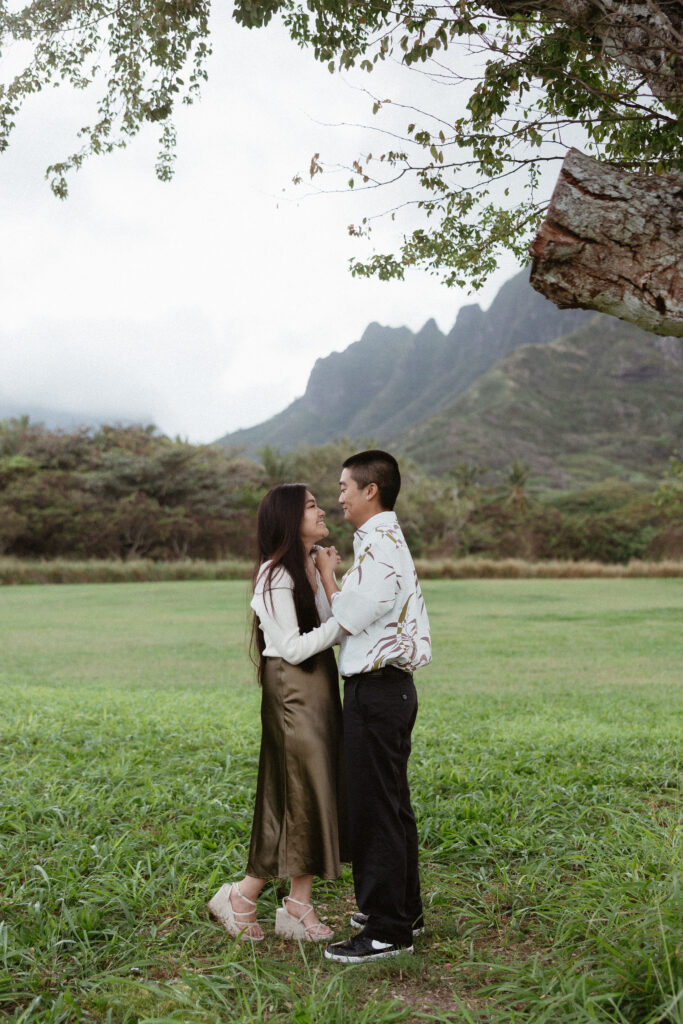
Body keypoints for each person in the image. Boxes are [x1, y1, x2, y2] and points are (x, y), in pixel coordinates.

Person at [208, 483, 348, 942]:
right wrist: (344, 622)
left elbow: (332, 628)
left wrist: (327, 575)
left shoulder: (307, 567)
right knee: (293, 791)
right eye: (312, 506)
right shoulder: (275, 576)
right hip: (292, 687)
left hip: (320, 685)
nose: (323, 509)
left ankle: (296, 906)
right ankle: (241, 896)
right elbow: (291, 646)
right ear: (290, 519)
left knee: (315, 787)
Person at [315, 450, 432, 963]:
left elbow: (355, 612)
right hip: (387, 689)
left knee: (375, 807)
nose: (338, 496)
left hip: (377, 690)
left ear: (371, 490)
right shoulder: (379, 540)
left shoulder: (381, 542)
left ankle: (387, 930)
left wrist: (325, 577)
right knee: (391, 804)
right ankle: (402, 910)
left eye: (344, 487)